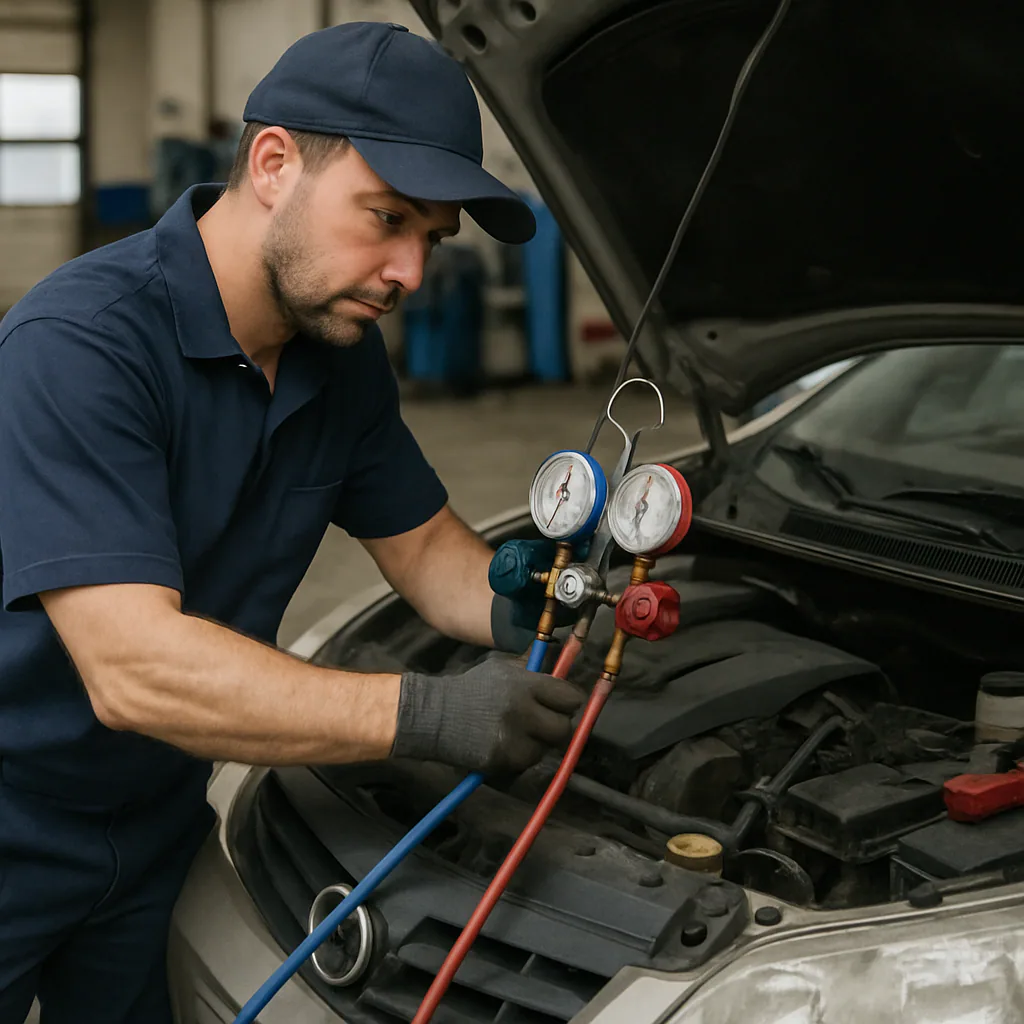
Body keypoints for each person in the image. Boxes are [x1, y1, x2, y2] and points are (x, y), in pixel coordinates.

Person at [0, 22, 584, 1023]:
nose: (408, 271)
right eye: (385, 216)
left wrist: (544, 610)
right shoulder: (79, 346)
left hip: (156, 825)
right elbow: (132, 667)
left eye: (429, 239)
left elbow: (433, 554)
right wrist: (432, 715)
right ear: (273, 163)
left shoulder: (338, 358)